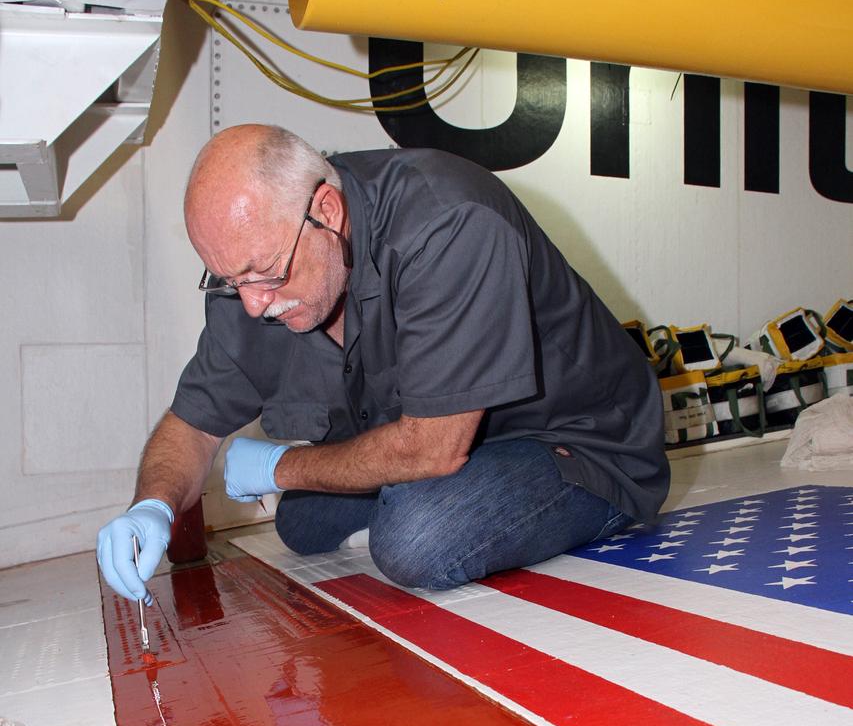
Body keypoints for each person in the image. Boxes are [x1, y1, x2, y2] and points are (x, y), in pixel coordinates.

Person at [97, 124, 669, 603]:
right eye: (229, 279)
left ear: (327, 211)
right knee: (302, 522)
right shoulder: (255, 273)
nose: (253, 303)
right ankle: (441, 492)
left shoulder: (447, 221)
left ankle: (567, 503)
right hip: (450, 437)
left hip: (578, 442)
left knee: (417, 537)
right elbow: (191, 425)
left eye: (265, 271)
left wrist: (281, 467)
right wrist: (153, 504)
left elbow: (432, 447)